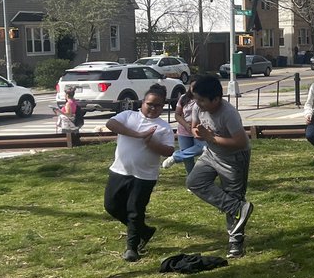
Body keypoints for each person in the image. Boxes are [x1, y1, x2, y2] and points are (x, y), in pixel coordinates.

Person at [187, 74, 254, 259]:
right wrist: (198, 133)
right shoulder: (197, 106)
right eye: (196, 99)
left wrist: (210, 138)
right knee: (194, 181)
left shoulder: (228, 113)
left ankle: (235, 243)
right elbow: (194, 127)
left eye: (202, 100)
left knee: (233, 194)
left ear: (216, 99)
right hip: (211, 153)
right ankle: (238, 208)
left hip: (234, 158)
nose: (198, 103)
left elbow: (241, 142)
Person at [104, 86, 175, 262]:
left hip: (144, 176)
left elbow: (168, 151)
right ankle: (144, 231)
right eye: (149, 104)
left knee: (135, 211)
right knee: (111, 206)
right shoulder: (129, 116)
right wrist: (137, 134)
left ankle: (132, 247)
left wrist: (151, 143)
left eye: (158, 106)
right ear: (142, 103)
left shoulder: (163, 127)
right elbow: (110, 124)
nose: (153, 108)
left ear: (163, 106)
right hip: (119, 170)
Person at [163, 76, 206, 173]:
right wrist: (186, 125)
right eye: (193, 86)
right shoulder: (183, 98)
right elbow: (177, 115)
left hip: (199, 130)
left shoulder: (204, 98)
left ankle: (176, 156)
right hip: (184, 131)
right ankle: (192, 182)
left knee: (202, 148)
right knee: (188, 160)